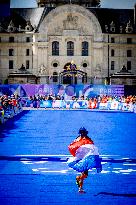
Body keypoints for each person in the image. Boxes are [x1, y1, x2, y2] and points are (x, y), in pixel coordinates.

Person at [67, 127, 102, 192]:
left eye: (83, 133)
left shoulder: (85, 139)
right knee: (84, 174)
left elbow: (91, 146)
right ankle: (80, 188)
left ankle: (78, 179)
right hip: (82, 159)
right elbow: (73, 146)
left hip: (85, 158)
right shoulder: (78, 139)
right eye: (82, 132)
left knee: (85, 175)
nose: (83, 134)